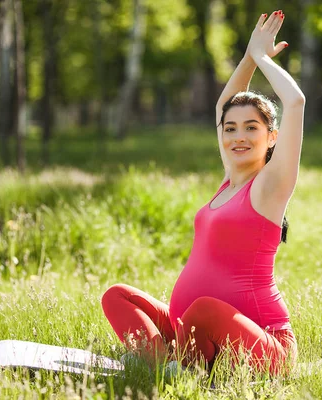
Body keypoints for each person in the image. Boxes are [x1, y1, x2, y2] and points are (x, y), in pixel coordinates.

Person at [102, 9, 304, 375]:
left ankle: (168, 365)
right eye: (230, 129)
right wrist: (247, 55)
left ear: (271, 136)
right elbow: (220, 105)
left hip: (261, 344)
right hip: (193, 332)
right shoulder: (229, 180)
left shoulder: (271, 186)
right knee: (117, 295)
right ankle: (167, 364)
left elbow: (295, 102)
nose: (238, 136)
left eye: (251, 128)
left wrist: (261, 58)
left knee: (204, 309)